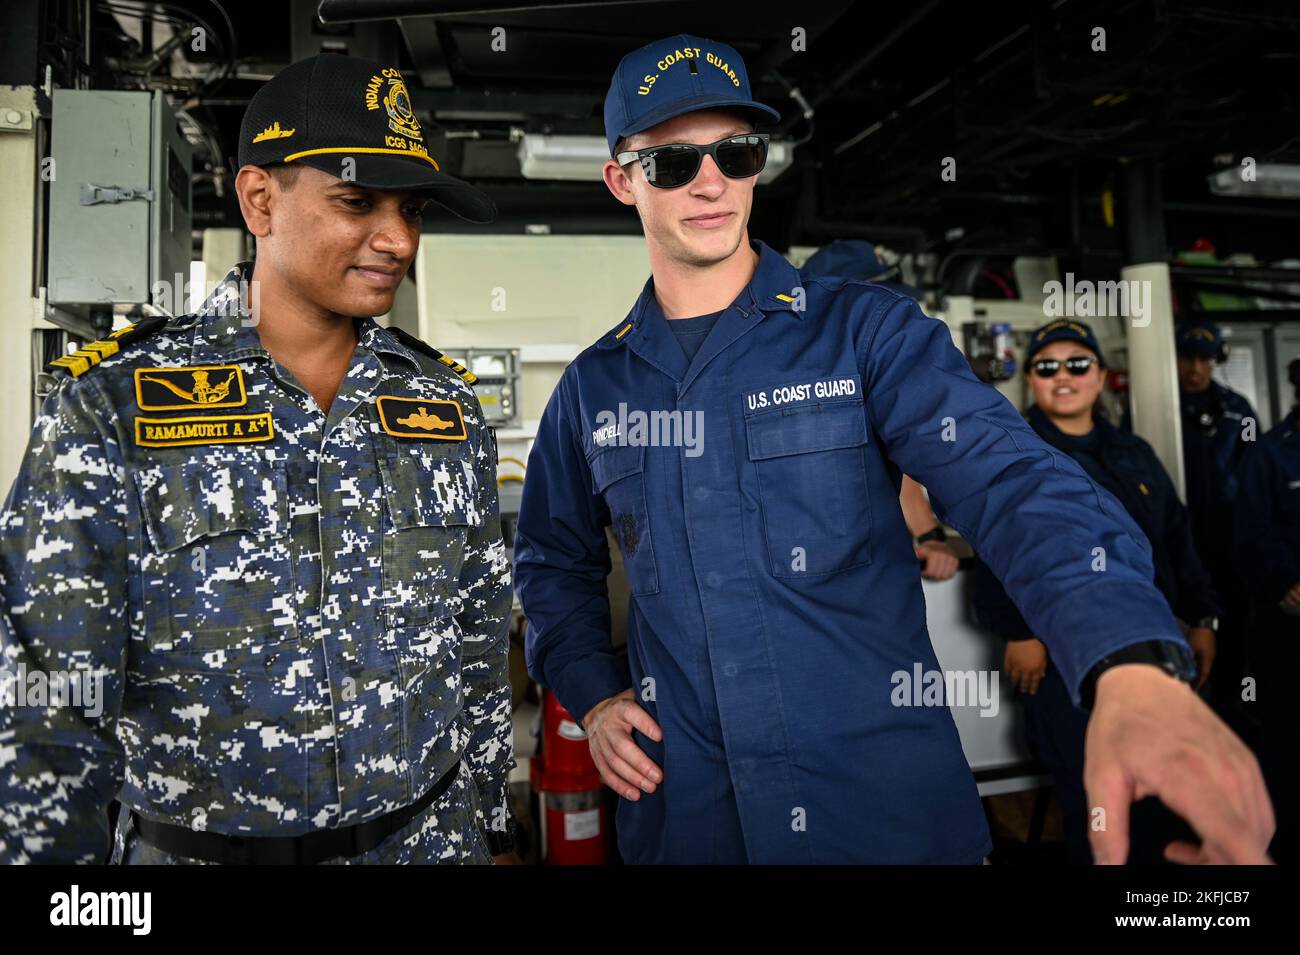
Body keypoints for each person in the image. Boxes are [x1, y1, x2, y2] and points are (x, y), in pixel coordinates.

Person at [514, 33, 1271, 865]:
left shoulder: (867, 334)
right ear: (621, 179)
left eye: (736, 153)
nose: (710, 182)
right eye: (671, 161)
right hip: (692, 817)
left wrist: (1126, 653)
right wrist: (593, 691)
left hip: (882, 814)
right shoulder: (594, 388)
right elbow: (552, 560)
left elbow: (1009, 480)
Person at [0, 54, 516, 864]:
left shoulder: (443, 407)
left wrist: (492, 821)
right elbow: (45, 705)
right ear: (258, 198)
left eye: (411, 209)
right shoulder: (116, 406)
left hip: (428, 844)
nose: (397, 238)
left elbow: (479, 642)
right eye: (357, 201)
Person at [972, 318, 1220, 863]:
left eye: (1078, 364)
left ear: (1103, 375)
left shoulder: (1134, 451)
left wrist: (1202, 618)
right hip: (1064, 660)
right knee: (1098, 804)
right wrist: (1019, 632)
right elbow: (995, 547)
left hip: (1155, 652)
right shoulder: (1007, 453)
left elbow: (1176, 540)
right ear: (1029, 379)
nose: (1064, 376)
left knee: (1159, 798)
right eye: (1047, 367)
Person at [800, 242, 959, 581]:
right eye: (881, 304)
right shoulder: (809, 379)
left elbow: (895, 467)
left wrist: (931, 537)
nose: (893, 318)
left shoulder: (868, 375)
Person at [1232, 357, 1300, 863]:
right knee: (1286, 743)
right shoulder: (1272, 453)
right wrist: (1286, 581)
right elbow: (1251, 533)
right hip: (1289, 629)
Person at [1176, 319, 1256, 723]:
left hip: (1229, 545)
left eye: (1205, 359)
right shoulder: (1155, 405)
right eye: (1188, 357)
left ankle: (1232, 718)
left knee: (1234, 637)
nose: (1195, 368)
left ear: (1216, 362)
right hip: (1177, 543)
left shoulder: (1236, 411)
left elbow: (1256, 477)